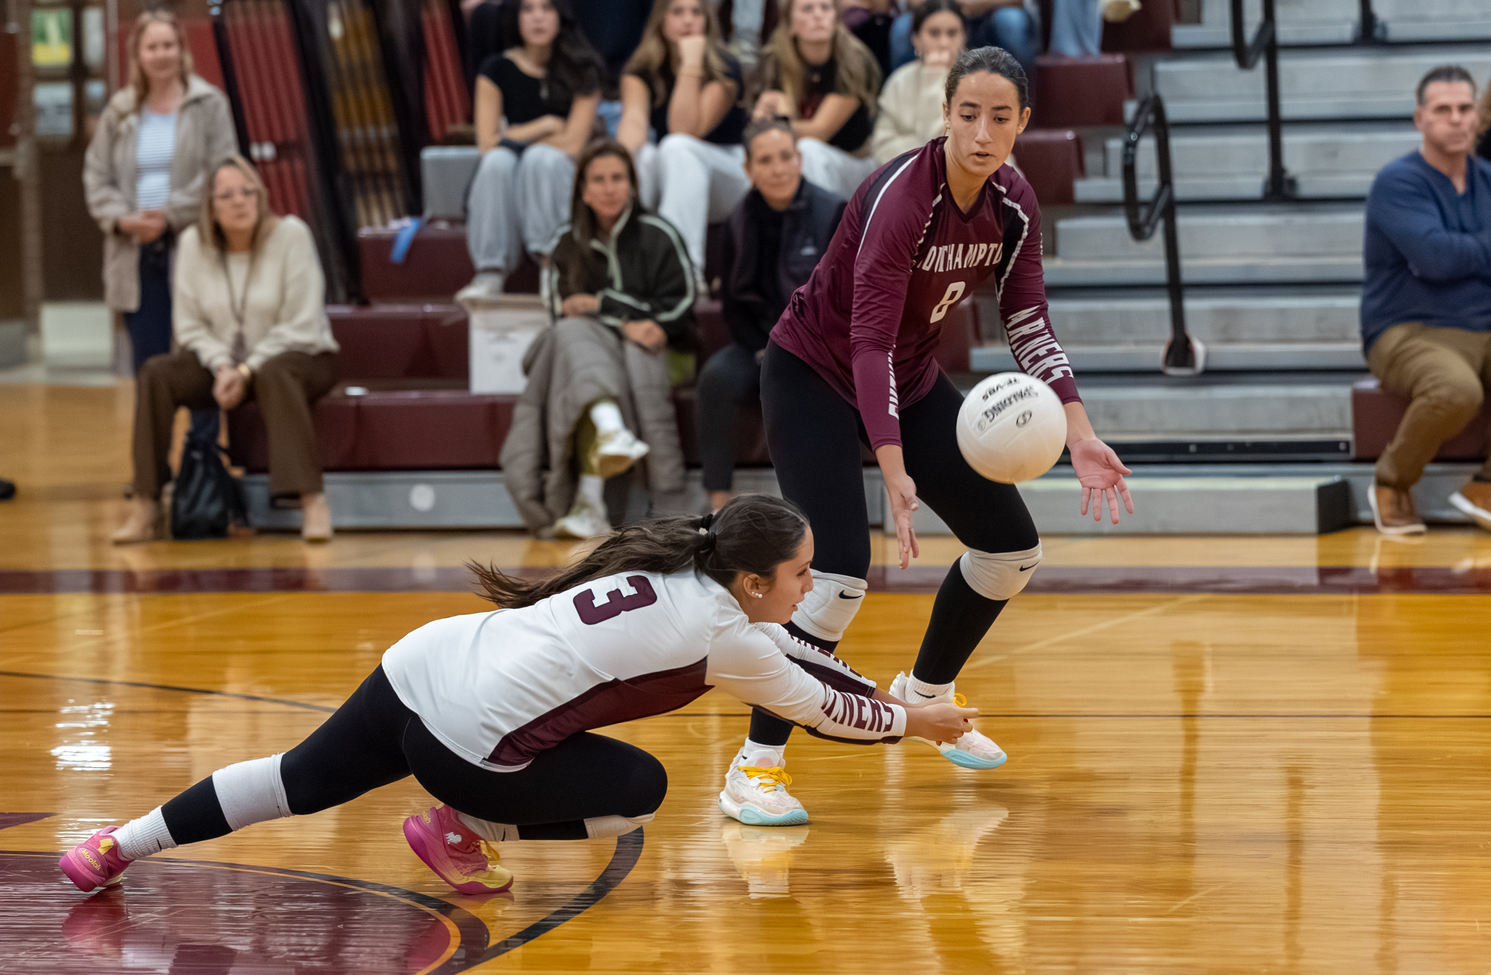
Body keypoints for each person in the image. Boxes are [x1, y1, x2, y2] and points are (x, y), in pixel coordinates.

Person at [60, 495, 980, 895]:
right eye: (800, 573)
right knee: (641, 794)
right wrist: (919, 721)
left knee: (292, 780)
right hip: (467, 745)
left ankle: (115, 844)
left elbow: (802, 652)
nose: (809, 588)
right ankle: (465, 828)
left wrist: (890, 696)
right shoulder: (726, 640)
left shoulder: (689, 571)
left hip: (425, 663)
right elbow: (825, 710)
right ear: (749, 582)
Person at [717, 47, 1134, 826]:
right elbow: (865, 338)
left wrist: (1078, 427)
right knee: (836, 572)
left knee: (1011, 547)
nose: (982, 131)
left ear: (1023, 124)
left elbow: (1028, 320)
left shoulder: (1013, 202)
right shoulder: (900, 196)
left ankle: (927, 692)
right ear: (943, 114)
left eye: (1000, 117)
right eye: (968, 114)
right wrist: (894, 467)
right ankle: (754, 766)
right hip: (813, 374)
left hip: (905, 379)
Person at [111, 156, 341, 545]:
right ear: (211, 207)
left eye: (248, 192)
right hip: (223, 364)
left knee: (274, 372)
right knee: (156, 374)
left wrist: (246, 369)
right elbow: (188, 325)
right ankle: (147, 502)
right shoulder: (192, 245)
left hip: (300, 355)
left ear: (261, 196)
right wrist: (221, 365)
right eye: (228, 195)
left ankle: (312, 501)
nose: (240, 201)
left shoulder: (290, 235)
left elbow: (301, 322)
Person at [500, 141, 697, 539]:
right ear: (583, 191)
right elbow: (565, 316)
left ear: (633, 185)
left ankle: (596, 500)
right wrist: (624, 321)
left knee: (628, 357)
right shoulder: (566, 244)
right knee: (574, 341)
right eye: (599, 180)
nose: (609, 188)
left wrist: (601, 306)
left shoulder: (660, 234)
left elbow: (682, 306)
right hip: (597, 354)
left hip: (665, 347)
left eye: (618, 178)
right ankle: (608, 438)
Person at [83, 10, 236, 450]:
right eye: (152, 47)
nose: (161, 54)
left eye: (169, 45)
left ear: (181, 49)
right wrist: (123, 219)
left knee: (199, 355)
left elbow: (221, 171)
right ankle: (154, 469)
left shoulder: (209, 104)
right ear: (138, 55)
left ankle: (202, 461)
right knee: (149, 366)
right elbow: (96, 175)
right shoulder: (120, 110)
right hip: (135, 253)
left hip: (193, 245)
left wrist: (168, 214)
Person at [1361, 65, 1491, 536]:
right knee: (1457, 390)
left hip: (1482, 324)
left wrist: (1466, 251)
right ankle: (1391, 482)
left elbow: (1447, 255)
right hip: (1407, 329)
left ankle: (1485, 488)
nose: (1456, 119)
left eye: (1464, 108)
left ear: (1477, 115)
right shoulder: (1398, 183)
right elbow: (1435, 258)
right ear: (1420, 118)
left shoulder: (1487, 179)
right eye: (1443, 109)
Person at [700, 118, 843, 511]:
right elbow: (733, 306)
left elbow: (843, 301)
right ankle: (717, 505)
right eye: (765, 160)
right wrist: (764, 350)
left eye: (785, 157)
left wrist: (799, 352)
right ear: (748, 169)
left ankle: (816, 508)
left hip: (820, 346)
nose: (778, 168)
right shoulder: (736, 222)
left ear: (799, 159)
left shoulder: (834, 212)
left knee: (808, 388)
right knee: (715, 379)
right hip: (758, 345)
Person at [456, 0, 605, 305]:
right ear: (515, 18)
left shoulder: (583, 68)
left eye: (547, 8)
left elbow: (573, 145)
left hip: (560, 173)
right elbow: (487, 143)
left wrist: (512, 136)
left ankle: (554, 266)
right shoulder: (495, 68)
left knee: (539, 160)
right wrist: (546, 125)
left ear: (560, 16)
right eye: (527, 9)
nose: (537, 18)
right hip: (511, 171)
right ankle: (490, 271)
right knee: (497, 161)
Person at [618, 0, 751, 285]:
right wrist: (624, 169)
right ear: (661, 21)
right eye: (677, 12)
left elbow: (685, 129)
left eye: (696, 13)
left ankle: (683, 271)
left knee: (676, 147)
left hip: (730, 175)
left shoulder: (725, 66)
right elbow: (633, 122)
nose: (688, 20)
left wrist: (691, 63)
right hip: (678, 173)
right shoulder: (641, 68)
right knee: (643, 158)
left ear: (708, 22)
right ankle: (624, 265)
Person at [750, 0, 881, 200]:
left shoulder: (853, 59)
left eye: (825, 7)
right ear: (791, 24)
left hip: (856, 166)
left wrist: (778, 121)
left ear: (835, 18)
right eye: (807, 8)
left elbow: (819, 131)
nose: (818, 15)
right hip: (806, 161)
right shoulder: (775, 61)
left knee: (808, 150)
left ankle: (819, 228)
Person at [872, 0, 965, 165]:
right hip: (910, 179)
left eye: (952, 33)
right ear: (916, 39)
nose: (944, 43)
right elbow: (881, 148)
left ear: (963, 38)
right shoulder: (900, 81)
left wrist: (937, 79)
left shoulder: (980, 80)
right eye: (934, 33)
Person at [888, 0, 1034, 74]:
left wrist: (985, 2)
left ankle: (1019, 102)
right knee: (901, 28)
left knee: (1011, 22)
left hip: (988, 17)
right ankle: (904, 95)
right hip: (936, 12)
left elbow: (1021, 2)